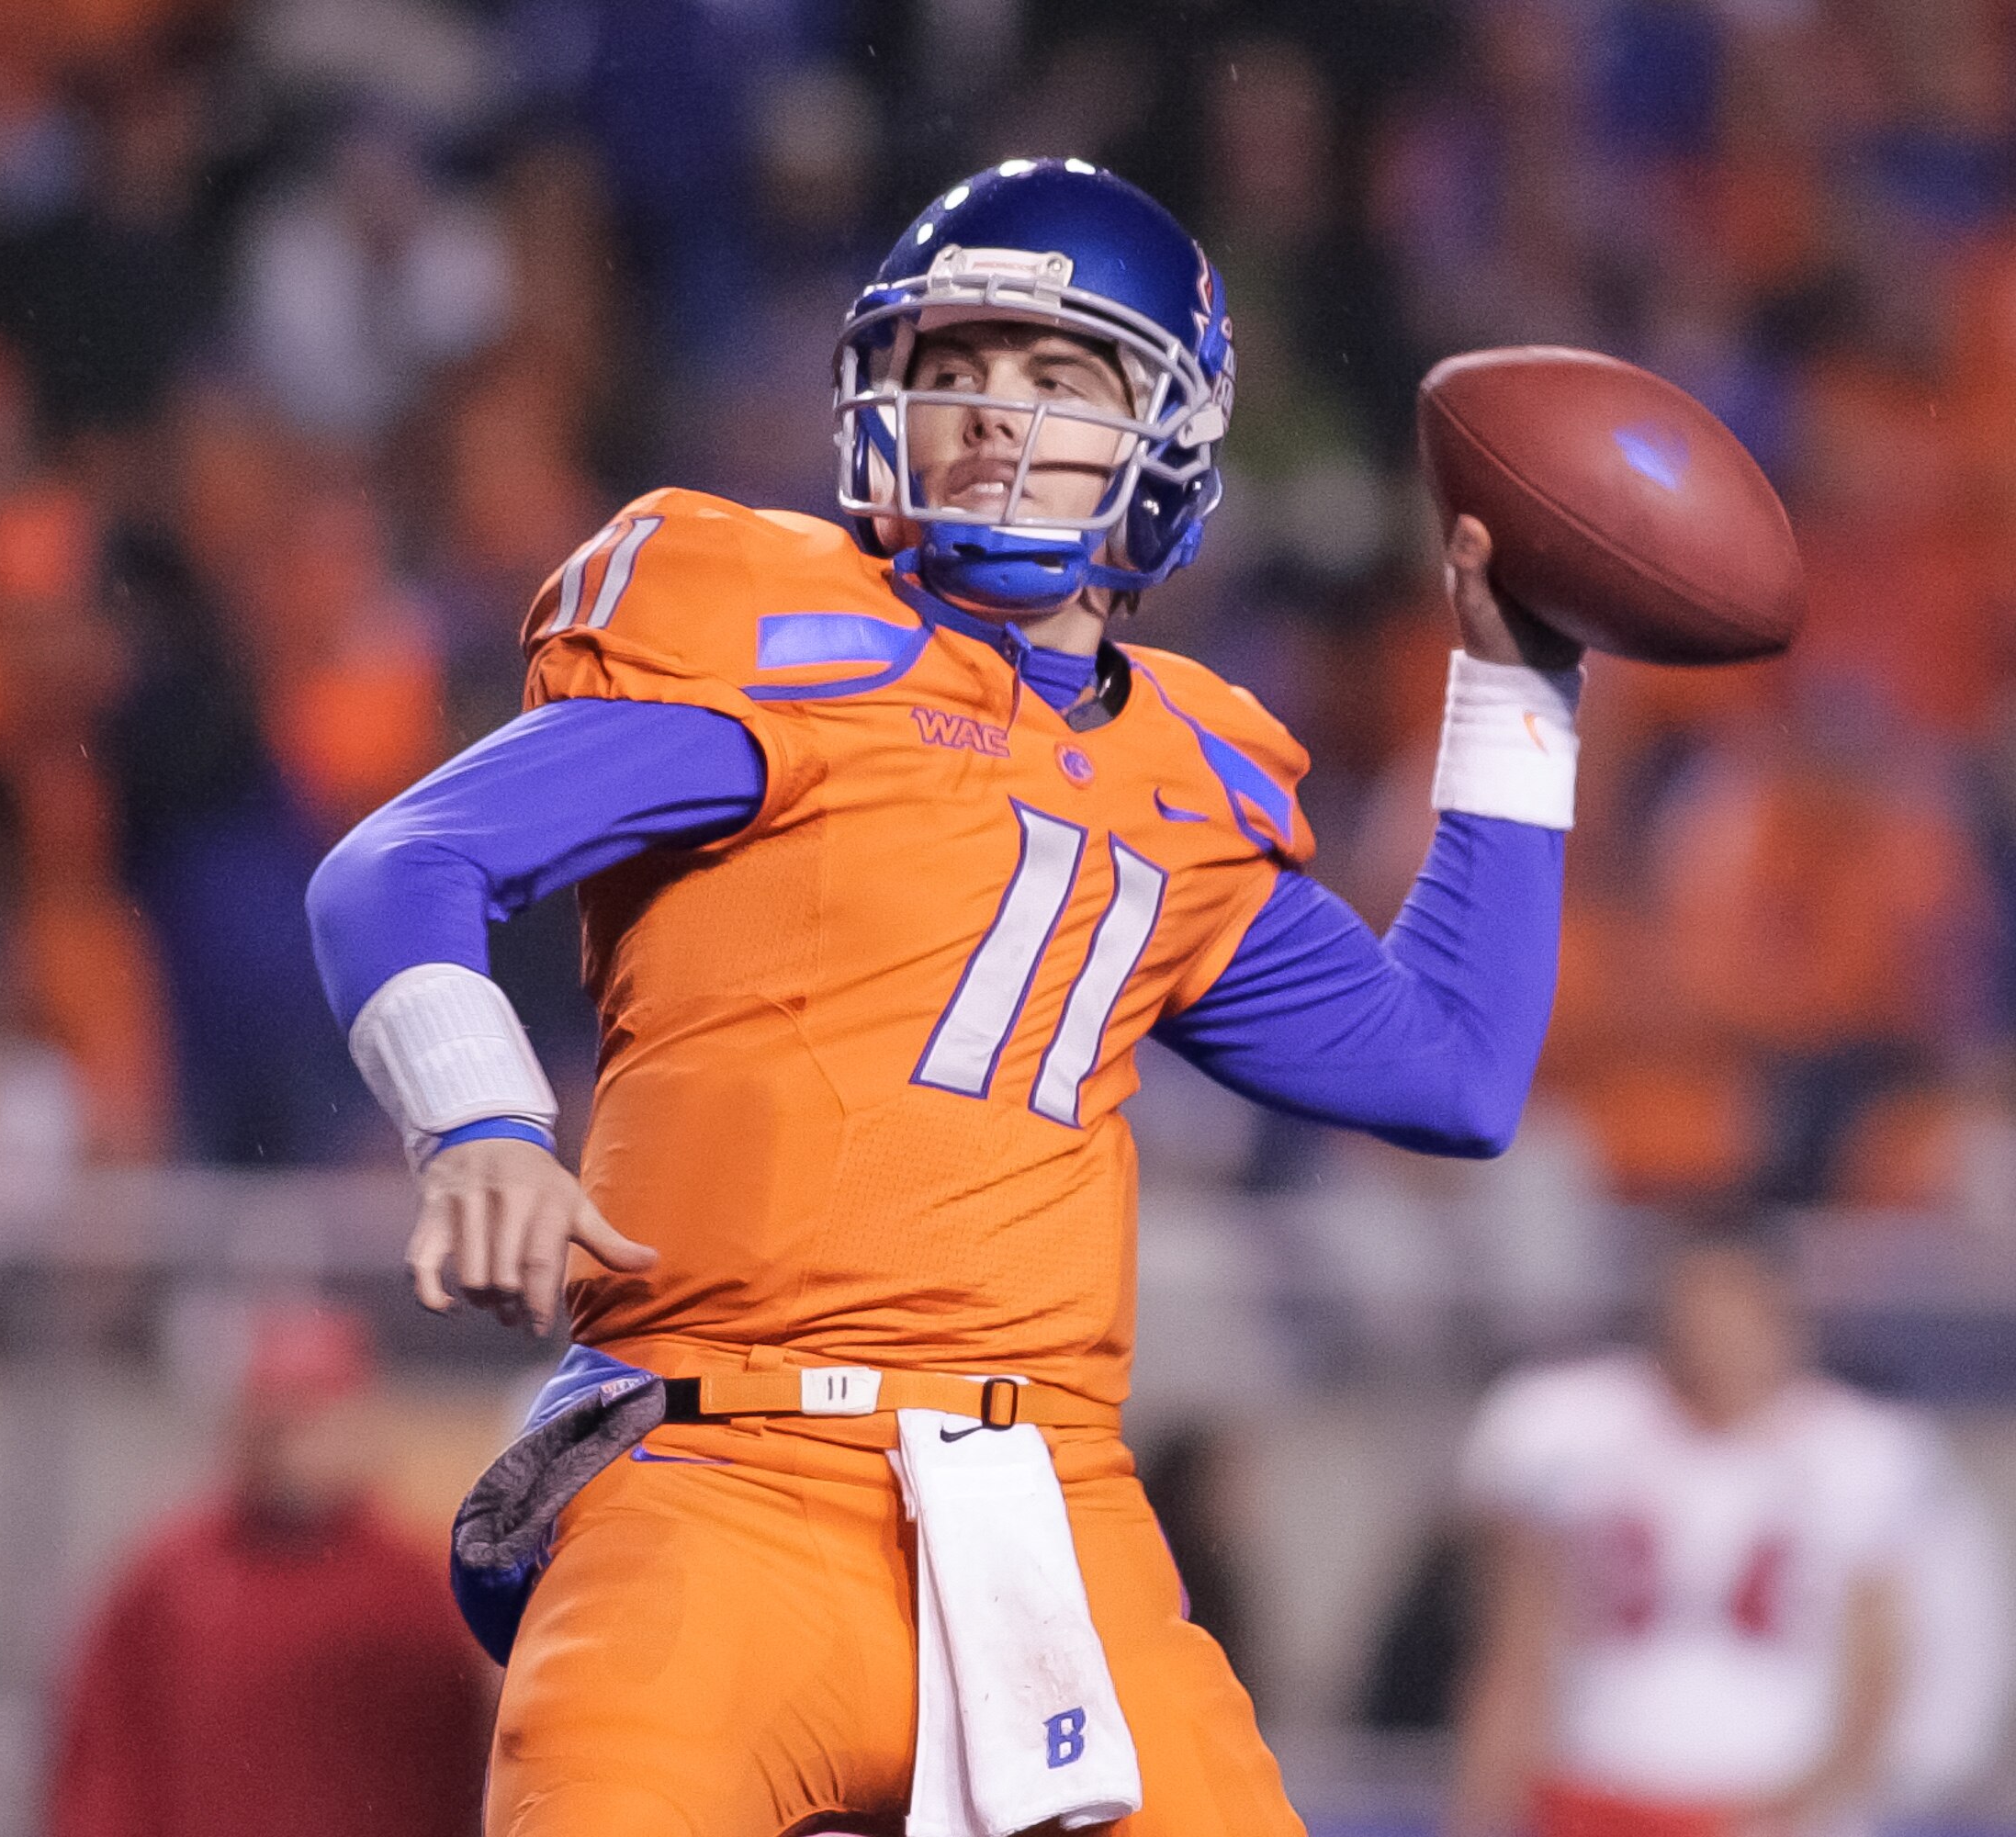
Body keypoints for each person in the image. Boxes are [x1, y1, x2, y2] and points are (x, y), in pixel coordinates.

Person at [307, 158, 1584, 1836]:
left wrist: (1519, 686)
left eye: (1058, 379)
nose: (991, 414)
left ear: (1172, 429)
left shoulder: (1187, 774)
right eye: (955, 369)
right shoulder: (779, 641)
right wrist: (476, 1121)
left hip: (1046, 1511)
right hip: (719, 1478)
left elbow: (1456, 1071)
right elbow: (397, 866)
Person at [1447, 1231, 2010, 1837]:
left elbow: (1878, 1666)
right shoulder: (1565, 1426)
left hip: (1762, 1795)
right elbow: (1514, 1650)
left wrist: (1817, 1802)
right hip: (1592, 1782)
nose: (1717, 1337)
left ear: (1783, 1318)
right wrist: (1480, 1808)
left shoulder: (1860, 1450)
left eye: (1738, 1311)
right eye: (1698, 1311)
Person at [48, 1302, 490, 1837]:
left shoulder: (417, 1590)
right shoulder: (167, 1576)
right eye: (279, 1420)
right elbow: (101, 1757)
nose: (298, 1447)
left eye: (315, 1418)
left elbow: (467, 1768)